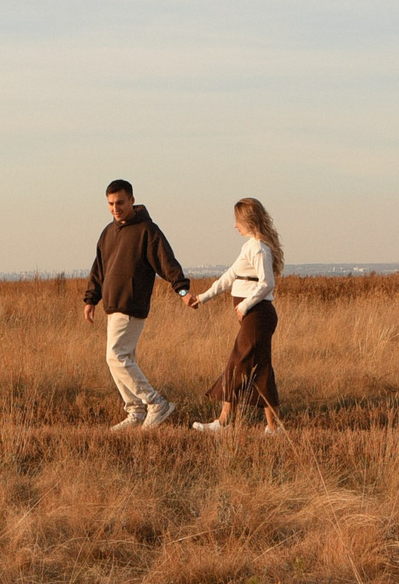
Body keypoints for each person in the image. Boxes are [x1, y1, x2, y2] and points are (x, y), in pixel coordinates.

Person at [82, 179, 191, 430]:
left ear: (132, 200)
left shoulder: (147, 230)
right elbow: (99, 268)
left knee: (115, 356)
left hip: (131, 303)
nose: (115, 208)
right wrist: (91, 299)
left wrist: (183, 291)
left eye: (120, 202)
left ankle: (156, 404)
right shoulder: (108, 232)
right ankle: (136, 411)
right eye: (110, 203)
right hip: (112, 304)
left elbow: (167, 263)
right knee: (123, 356)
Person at [184, 197, 286, 434]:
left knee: (237, 364)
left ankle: (222, 423)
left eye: (237, 220)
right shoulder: (249, 246)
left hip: (257, 315)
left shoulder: (259, 248)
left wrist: (245, 305)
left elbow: (267, 283)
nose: (234, 225)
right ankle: (274, 428)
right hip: (253, 315)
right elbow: (228, 278)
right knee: (260, 369)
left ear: (248, 220)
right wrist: (203, 297)